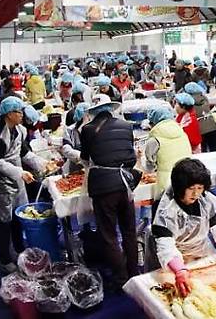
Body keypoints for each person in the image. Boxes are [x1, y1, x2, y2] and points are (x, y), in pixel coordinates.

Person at [150, 159, 216, 297]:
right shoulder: (165, 210)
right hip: (174, 255)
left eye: (200, 188)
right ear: (180, 187)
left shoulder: (206, 199)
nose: (196, 194)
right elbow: (166, 246)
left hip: (200, 248)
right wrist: (179, 270)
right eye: (191, 189)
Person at [79, 94, 140, 289]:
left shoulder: (88, 130)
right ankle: (134, 271)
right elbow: (130, 157)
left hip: (104, 187)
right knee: (129, 231)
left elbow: (85, 158)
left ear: (92, 112)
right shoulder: (126, 126)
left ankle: (121, 278)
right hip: (125, 184)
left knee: (109, 234)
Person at [0, 97, 49, 273]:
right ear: (8, 114)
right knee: (4, 220)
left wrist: (43, 163)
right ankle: (5, 259)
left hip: (16, 179)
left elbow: (25, 153)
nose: (22, 115)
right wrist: (20, 173)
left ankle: (20, 250)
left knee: (18, 216)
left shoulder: (20, 130)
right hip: (1, 184)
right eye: (18, 112)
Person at [143, 107, 192, 192]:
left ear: (153, 123)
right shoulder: (182, 133)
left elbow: (149, 169)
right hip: (187, 180)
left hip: (166, 185)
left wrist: (140, 159)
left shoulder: (154, 140)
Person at [184, 82, 216, 152]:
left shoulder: (188, 101)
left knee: (203, 151)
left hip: (200, 128)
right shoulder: (204, 98)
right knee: (214, 149)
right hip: (212, 125)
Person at [61, 103, 91, 175]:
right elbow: (66, 149)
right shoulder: (70, 130)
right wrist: (80, 156)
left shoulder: (94, 129)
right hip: (76, 168)